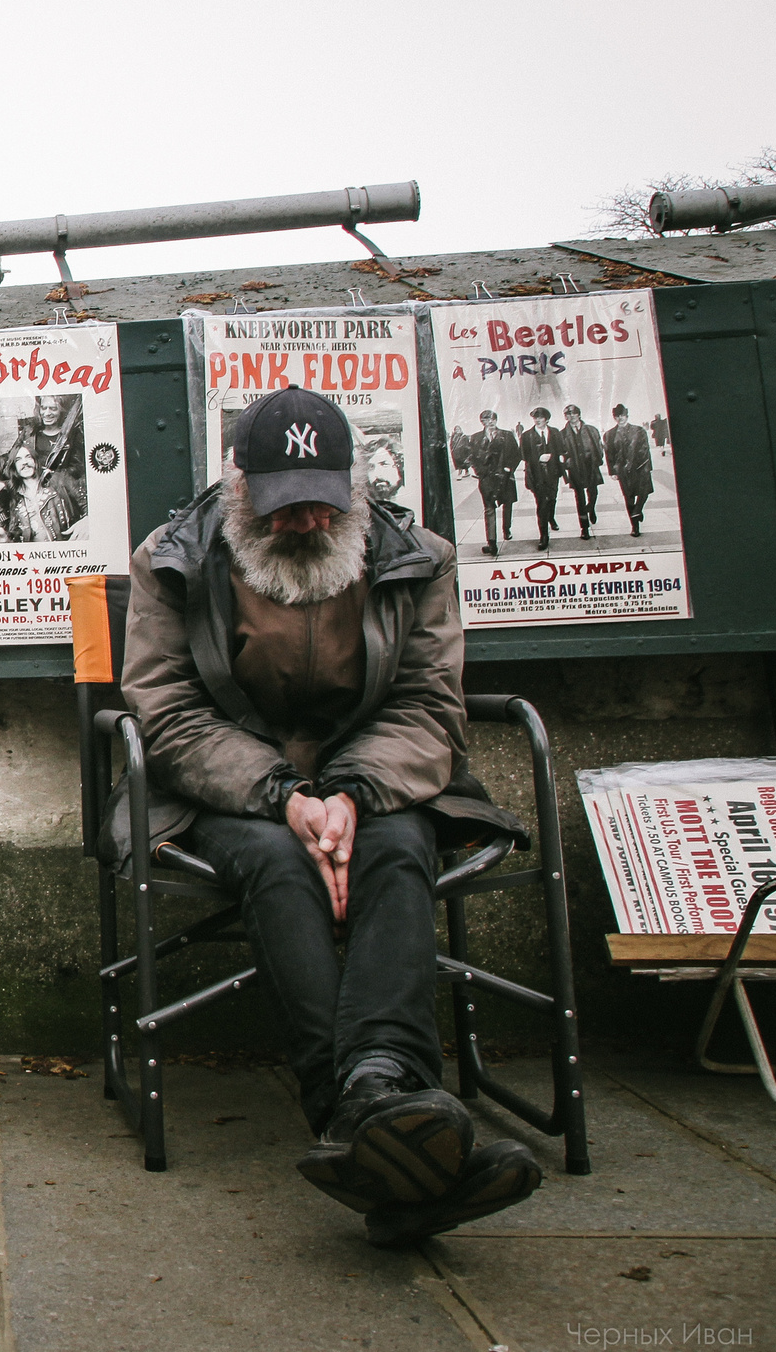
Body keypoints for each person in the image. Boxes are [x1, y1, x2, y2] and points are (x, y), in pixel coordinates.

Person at [118, 386, 541, 1247]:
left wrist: (347, 794)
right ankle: (376, 1114)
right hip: (223, 786)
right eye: (282, 506)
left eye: (321, 501)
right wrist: (285, 795)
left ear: (352, 487)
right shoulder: (172, 558)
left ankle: (370, 1103)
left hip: (376, 783)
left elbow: (430, 703)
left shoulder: (416, 555)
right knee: (276, 861)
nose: (305, 522)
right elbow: (164, 711)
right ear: (240, 485)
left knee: (398, 846)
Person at [15, 394, 88, 526]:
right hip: (31, 493)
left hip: (62, 495)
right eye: (44, 408)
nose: (47, 413)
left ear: (61, 411)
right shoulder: (29, 432)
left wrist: (56, 473)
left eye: (53, 408)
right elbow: (13, 457)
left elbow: (79, 468)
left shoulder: (70, 435)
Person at [456, 410, 519, 556]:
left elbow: (516, 453)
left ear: (496, 420)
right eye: (486, 420)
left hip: (505, 476)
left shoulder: (507, 435)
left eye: (492, 419)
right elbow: (469, 456)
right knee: (489, 509)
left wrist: (509, 468)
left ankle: (506, 529)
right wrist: (478, 471)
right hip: (487, 478)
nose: (489, 422)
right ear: (482, 422)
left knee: (507, 504)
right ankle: (492, 543)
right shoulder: (475, 438)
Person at [5, 442, 75, 541]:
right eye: (18, 460)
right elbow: (15, 531)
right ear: (14, 467)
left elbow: (85, 504)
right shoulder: (15, 496)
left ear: (35, 460)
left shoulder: (57, 481)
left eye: (28, 457)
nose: (24, 462)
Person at [517, 407, 565, 553]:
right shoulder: (526, 436)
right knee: (541, 504)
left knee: (552, 499)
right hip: (536, 475)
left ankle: (551, 517)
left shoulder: (555, 432)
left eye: (541, 417)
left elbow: (562, 449)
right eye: (535, 417)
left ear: (547, 419)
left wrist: (557, 457)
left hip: (553, 473)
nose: (538, 420)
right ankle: (543, 536)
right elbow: (523, 455)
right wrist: (537, 459)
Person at [604, 404, 654, 536]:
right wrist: (613, 471)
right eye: (617, 416)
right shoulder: (609, 435)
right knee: (629, 497)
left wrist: (646, 467)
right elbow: (609, 454)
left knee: (644, 492)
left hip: (640, 468)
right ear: (614, 417)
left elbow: (645, 449)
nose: (620, 418)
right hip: (623, 470)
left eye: (623, 415)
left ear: (627, 416)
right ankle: (635, 527)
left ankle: (637, 511)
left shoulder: (639, 431)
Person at [559, 406, 605, 540]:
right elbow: (561, 453)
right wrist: (568, 463)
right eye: (568, 414)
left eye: (574, 413)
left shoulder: (591, 430)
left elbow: (599, 447)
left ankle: (590, 508)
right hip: (575, 469)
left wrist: (597, 460)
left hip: (591, 466)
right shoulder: (562, 434)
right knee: (579, 497)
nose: (572, 416)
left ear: (579, 415)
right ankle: (584, 528)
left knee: (594, 492)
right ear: (566, 417)